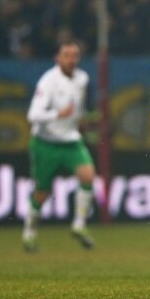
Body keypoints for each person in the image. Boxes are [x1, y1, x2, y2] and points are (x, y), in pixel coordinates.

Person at [23, 41, 96, 252]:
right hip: (45, 143)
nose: (71, 59)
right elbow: (32, 115)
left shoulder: (82, 78)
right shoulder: (48, 82)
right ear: (57, 58)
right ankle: (29, 232)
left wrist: (81, 122)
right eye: (67, 55)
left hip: (71, 140)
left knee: (88, 176)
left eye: (75, 55)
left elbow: (78, 108)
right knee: (42, 192)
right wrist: (57, 114)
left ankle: (79, 225)